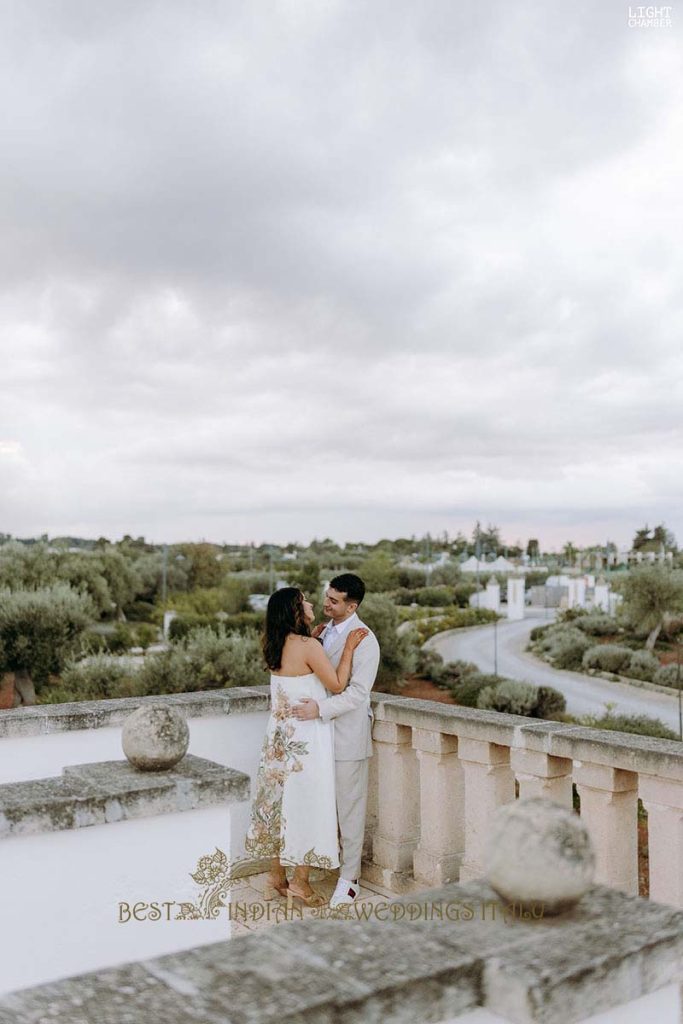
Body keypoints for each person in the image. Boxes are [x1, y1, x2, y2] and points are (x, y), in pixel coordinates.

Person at [244, 587, 368, 908]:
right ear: (296, 610)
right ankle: (300, 883)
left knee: (281, 805)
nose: (312, 603)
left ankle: (275, 877)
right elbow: (338, 685)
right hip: (305, 738)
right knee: (309, 804)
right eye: (304, 601)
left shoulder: (275, 644)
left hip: (278, 738)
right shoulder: (309, 646)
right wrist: (350, 648)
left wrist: (311, 640)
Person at [291, 573, 380, 909]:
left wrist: (320, 709)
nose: (326, 603)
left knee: (350, 810)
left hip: (347, 738)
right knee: (322, 806)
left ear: (352, 605)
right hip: (320, 737)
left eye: (333, 600)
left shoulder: (366, 640)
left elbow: (358, 694)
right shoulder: (323, 632)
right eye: (326, 597)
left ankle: (350, 879)